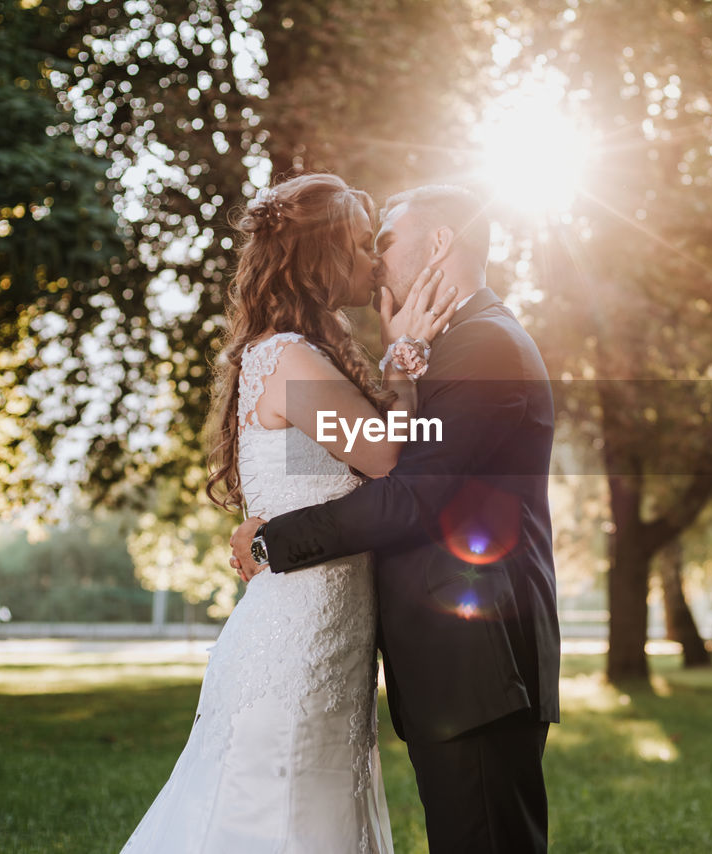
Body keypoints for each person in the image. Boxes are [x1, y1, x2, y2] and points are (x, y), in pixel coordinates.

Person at [121, 172, 460, 854]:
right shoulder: (289, 359)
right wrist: (406, 358)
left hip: (328, 642)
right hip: (296, 649)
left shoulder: (293, 354)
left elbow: (335, 482)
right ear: (323, 258)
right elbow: (388, 460)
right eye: (362, 246)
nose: (373, 261)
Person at [230, 184, 561, 854]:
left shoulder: (484, 346)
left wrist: (272, 541)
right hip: (455, 664)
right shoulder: (457, 343)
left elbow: (409, 494)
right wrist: (401, 361)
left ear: (439, 244)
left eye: (385, 239)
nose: (375, 260)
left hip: (483, 664)